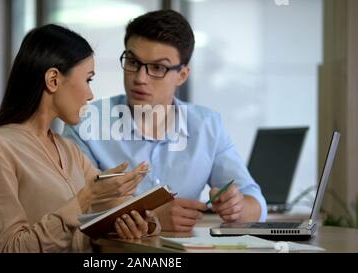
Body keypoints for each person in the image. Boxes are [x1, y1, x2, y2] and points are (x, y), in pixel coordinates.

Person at [0, 24, 160, 253]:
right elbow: (10, 248)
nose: (90, 94)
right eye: (88, 80)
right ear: (53, 79)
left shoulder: (68, 149)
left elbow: (110, 209)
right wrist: (87, 197)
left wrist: (142, 221)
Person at [63, 10, 267, 232]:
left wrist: (236, 207)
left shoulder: (207, 125)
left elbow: (254, 200)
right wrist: (151, 218)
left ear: (182, 75)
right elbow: (69, 206)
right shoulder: (86, 122)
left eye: (158, 68)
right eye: (132, 62)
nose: (140, 78)